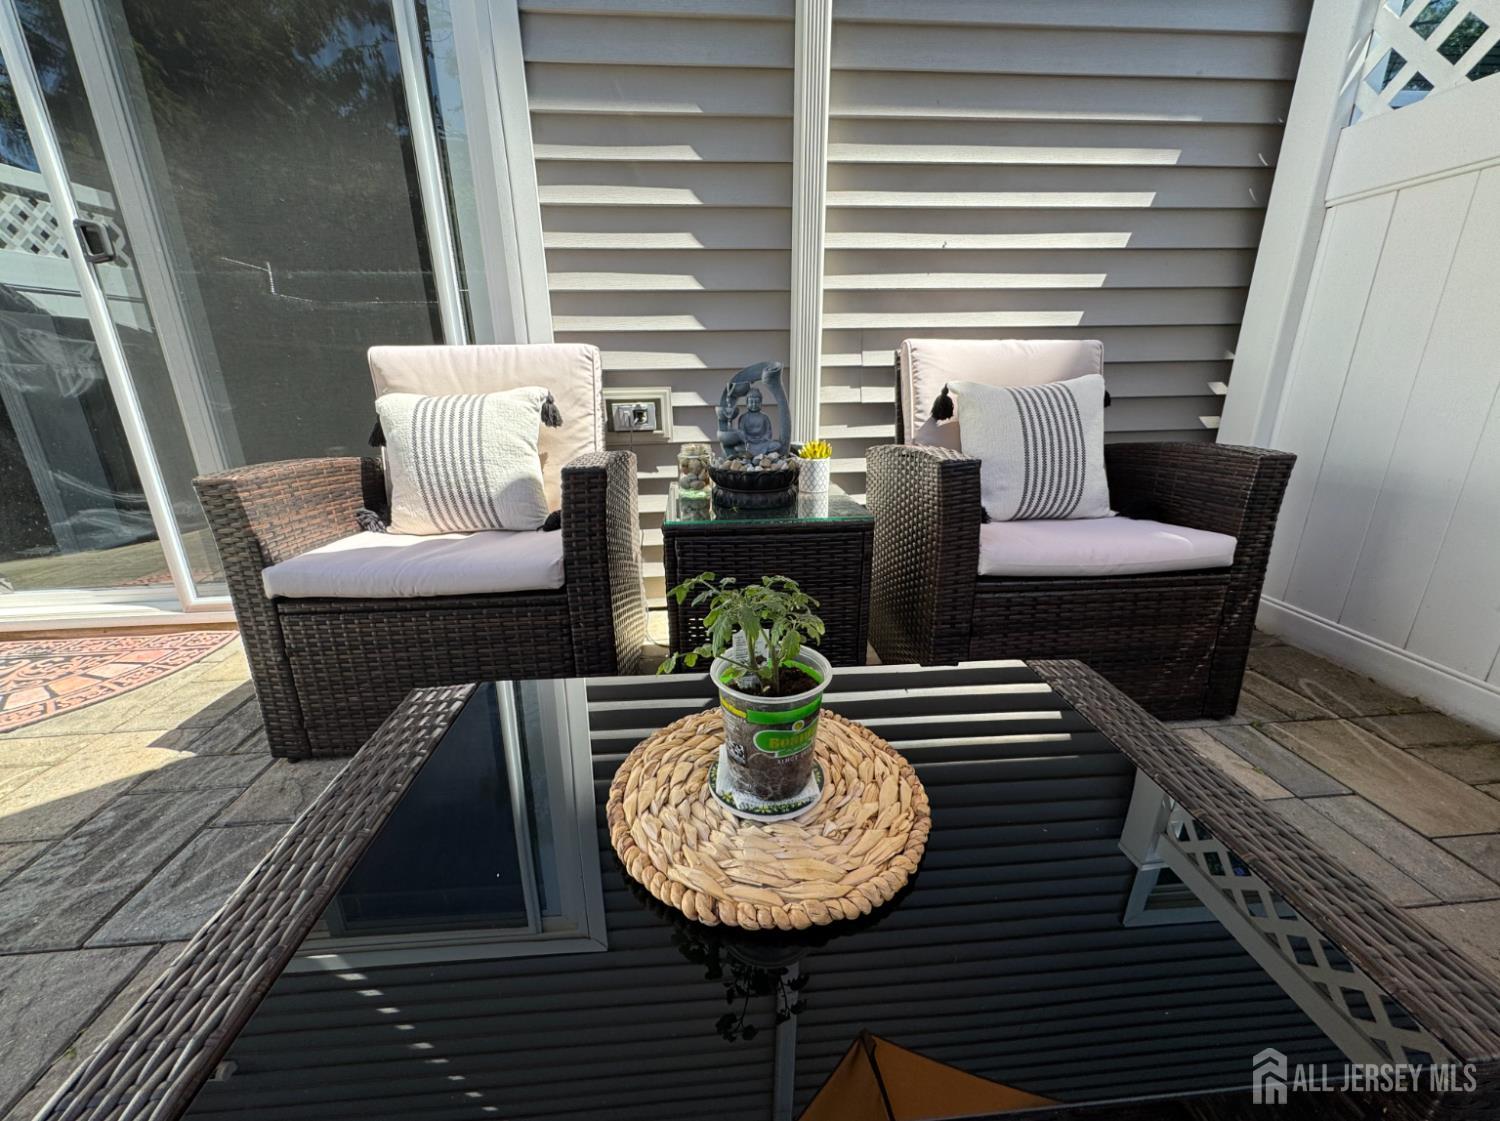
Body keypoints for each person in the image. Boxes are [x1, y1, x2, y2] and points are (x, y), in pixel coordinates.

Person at [737, 387, 779, 455]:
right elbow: (741, 432)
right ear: (747, 403)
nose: (754, 404)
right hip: (749, 443)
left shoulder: (765, 417)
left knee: (776, 445)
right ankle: (751, 454)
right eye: (751, 402)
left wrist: (763, 438)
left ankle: (754, 454)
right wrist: (747, 439)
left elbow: (768, 432)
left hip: (762, 443)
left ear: (760, 402)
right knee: (738, 448)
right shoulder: (743, 417)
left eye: (756, 402)